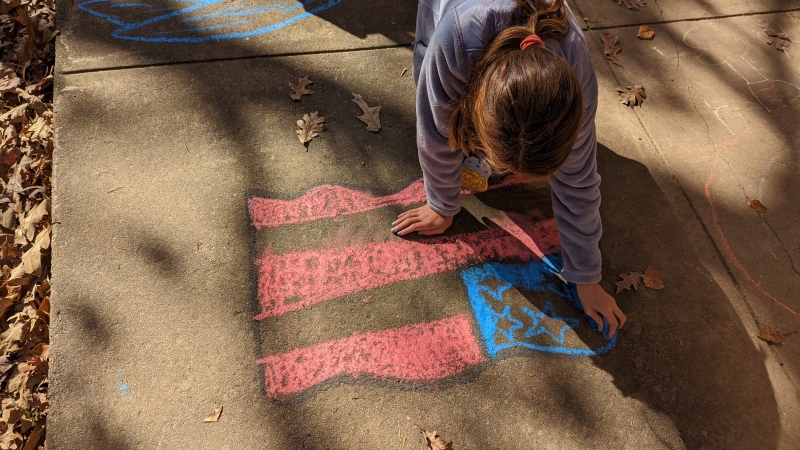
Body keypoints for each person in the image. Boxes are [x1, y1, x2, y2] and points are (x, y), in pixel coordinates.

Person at [390, 0, 627, 337]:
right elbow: (435, 134)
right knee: (428, 75)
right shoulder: (454, 44)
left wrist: (586, 275)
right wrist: (441, 204)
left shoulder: (577, 72)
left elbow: (578, 179)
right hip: (453, 22)